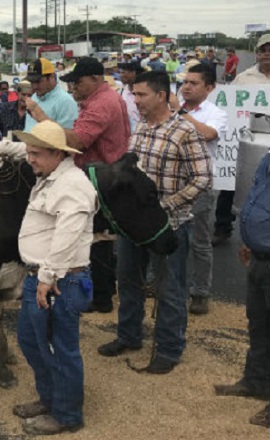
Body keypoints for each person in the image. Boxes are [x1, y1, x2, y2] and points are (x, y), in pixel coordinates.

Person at [0, 120, 96, 435]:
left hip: (59, 281)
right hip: (41, 277)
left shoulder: (73, 185)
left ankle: (67, 415)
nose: (29, 159)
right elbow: (20, 149)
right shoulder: (51, 171)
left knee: (58, 348)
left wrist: (47, 277)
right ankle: (50, 398)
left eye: (36, 154)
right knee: (31, 340)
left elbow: (67, 237)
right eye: (29, 152)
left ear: (57, 153)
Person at [97, 71, 212, 374]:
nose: (135, 100)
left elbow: (203, 178)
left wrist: (165, 206)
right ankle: (129, 336)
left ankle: (169, 348)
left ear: (161, 95)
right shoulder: (140, 129)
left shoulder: (185, 131)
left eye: (141, 95)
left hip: (169, 226)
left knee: (169, 289)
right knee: (129, 282)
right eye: (133, 95)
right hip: (134, 227)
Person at [34, 57, 130, 313]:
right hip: (104, 173)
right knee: (100, 238)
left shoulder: (101, 104)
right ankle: (104, 292)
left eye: (78, 82)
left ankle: (100, 298)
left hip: (99, 175)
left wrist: (45, 124)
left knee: (94, 238)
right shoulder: (105, 99)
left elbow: (77, 141)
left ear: (96, 79)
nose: (74, 87)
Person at [213, 150, 270, 428]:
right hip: (260, 257)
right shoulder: (267, 159)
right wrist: (250, 239)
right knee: (258, 324)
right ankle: (256, 381)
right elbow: (257, 200)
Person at [174, 63, 227, 315]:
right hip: (173, 183)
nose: (186, 87)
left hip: (200, 184)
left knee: (199, 241)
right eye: (185, 82)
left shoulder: (215, 112)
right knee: (171, 236)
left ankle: (200, 292)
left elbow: (206, 134)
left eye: (193, 83)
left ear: (210, 87)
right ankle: (166, 285)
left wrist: (181, 115)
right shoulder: (174, 110)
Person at [214, 34, 270, 246]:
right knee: (231, 182)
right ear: (257, 53)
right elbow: (228, 108)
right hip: (247, 139)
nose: (267, 54)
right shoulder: (244, 78)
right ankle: (222, 226)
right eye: (263, 50)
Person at [23, 58, 79, 133]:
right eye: (32, 82)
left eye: (38, 81)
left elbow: (69, 137)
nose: (34, 86)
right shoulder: (34, 97)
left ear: (51, 77)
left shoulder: (65, 102)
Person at [118, 60, 144, 130]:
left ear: (133, 73)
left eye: (123, 72)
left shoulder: (144, 93)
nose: (120, 75)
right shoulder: (121, 92)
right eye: (120, 72)